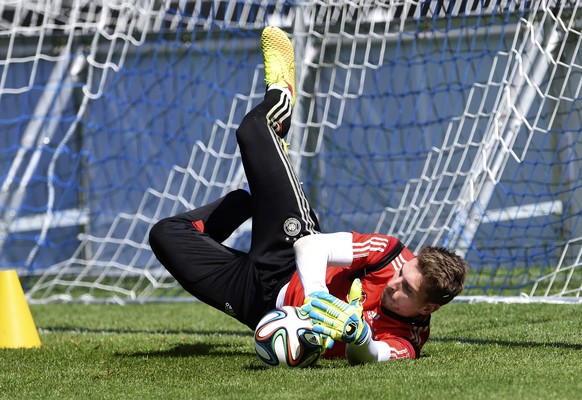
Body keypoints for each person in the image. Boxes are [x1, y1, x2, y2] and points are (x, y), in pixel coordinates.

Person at [149, 26, 468, 365]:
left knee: (166, 234)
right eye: (405, 274)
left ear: (428, 308)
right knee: (253, 129)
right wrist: (316, 294)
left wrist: (358, 335)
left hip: (259, 303)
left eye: (407, 290)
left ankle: (253, 197)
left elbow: (373, 356)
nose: (395, 283)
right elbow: (311, 246)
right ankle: (280, 94)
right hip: (288, 252)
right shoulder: (389, 255)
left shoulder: (409, 340)